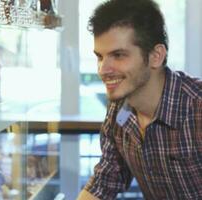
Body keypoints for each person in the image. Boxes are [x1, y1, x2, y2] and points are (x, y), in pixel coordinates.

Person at [77, 0, 202, 199]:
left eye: (118, 55)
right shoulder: (118, 110)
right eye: (100, 57)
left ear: (156, 56)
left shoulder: (196, 107)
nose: (102, 70)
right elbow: (104, 183)